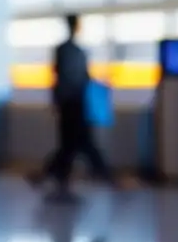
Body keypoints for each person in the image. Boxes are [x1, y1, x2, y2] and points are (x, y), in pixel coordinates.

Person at [28, 14, 116, 195]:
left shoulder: (67, 50)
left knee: (70, 143)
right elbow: (72, 77)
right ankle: (104, 176)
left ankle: (54, 175)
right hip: (74, 103)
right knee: (78, 142)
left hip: (70, 102)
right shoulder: (74, 52)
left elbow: (62, 77)